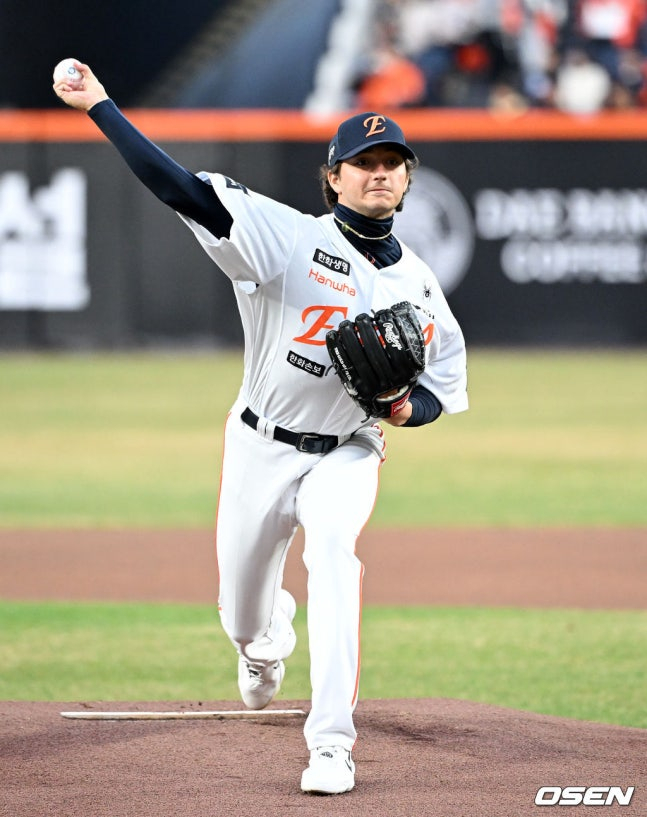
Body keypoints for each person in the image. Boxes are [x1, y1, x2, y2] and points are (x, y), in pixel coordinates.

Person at [53, 61, 469, 795]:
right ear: (333, 178)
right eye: (363, 162)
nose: (379, 173)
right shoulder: (285, 238)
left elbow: (441, 391)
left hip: (348, 450)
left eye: (392, 163)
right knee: (242, 617)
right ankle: (263, 640)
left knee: (334, 554)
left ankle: (332, 745)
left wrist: (406, 409)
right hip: (259, 445)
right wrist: (102, 106)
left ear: (407, 179)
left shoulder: (423, 287)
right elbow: (181, 190)